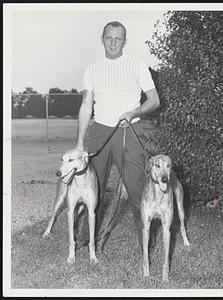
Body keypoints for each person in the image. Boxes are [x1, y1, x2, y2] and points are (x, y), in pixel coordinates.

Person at [75, 21, 160, 250]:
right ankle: (85, 238)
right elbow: (86, 105)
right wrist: (80, 142)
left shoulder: (137, 65)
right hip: (100, 131)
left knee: (136, 189)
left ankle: (146, 241)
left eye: (118, 39)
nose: (113, 43)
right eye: (109, 38)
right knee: (93, 188)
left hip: (129, 131)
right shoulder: (92, 68)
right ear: (102, 38)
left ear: (125, 41)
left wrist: (134, 112)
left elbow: (154, 100)